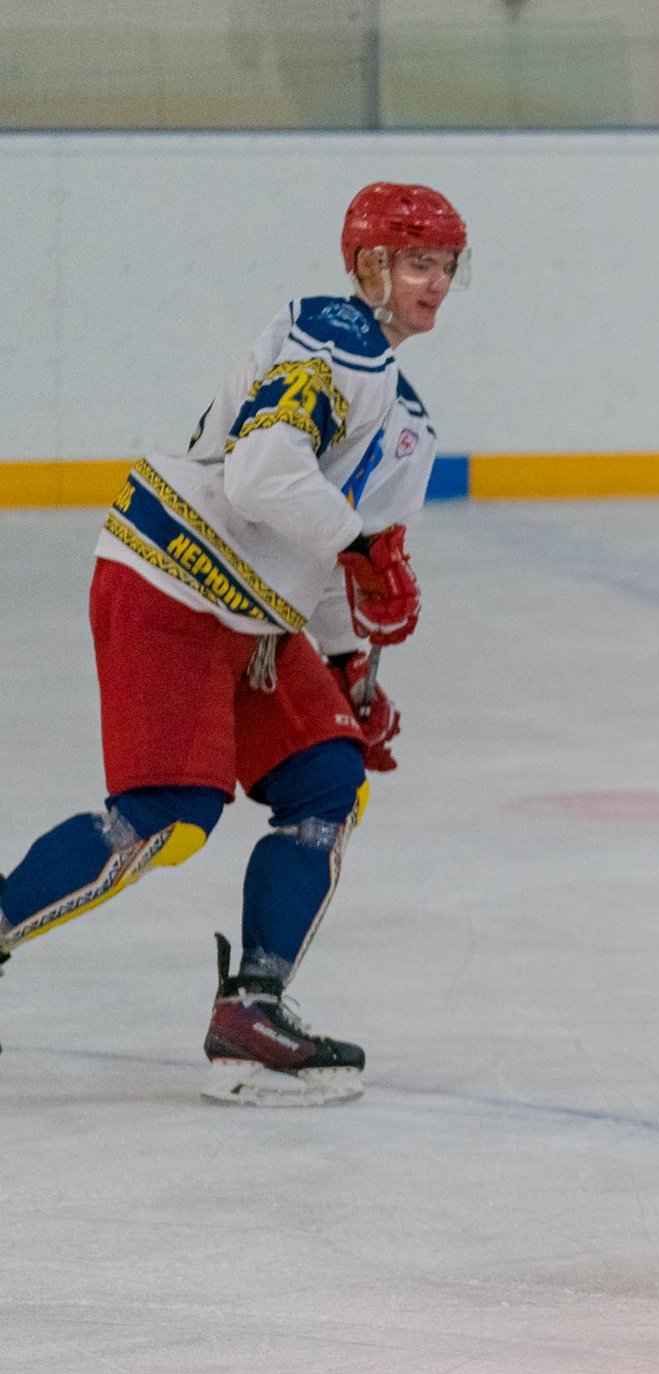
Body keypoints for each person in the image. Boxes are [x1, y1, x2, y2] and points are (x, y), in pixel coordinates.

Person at [0, 183, 459, 1102]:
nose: (435, 282)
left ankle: (251, 1009)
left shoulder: (410, 429)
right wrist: (362, 544)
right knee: (168, 814)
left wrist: (351, 678)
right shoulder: (334, 335)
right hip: (170, 571)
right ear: (369, 266)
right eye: (417, 261)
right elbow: (261, 474)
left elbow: (329, 571)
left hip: (253, 615)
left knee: (328, 779)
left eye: (447, 265)